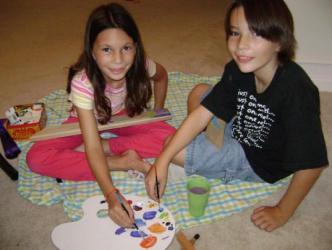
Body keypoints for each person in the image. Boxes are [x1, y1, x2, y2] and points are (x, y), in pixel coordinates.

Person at [145, 0, 329, 232]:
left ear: (280, 41)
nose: (241, 45)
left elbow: (312, 165)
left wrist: (282, 211)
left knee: (172, 146)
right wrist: (161, 161)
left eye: (254, 34)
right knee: (200, 92)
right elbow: (203, 112)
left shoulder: (297, 90)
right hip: (241, 125)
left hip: (256, 160)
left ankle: (205, 149)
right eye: (235, 33)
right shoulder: (238, 68)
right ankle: (207, 143)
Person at [27, 3, 175, 227]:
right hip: (86, 119)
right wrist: (111, 194)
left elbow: (162, 77)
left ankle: (109, 146)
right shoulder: (83, 82)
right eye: (107, 49)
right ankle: (120, 161)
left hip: (124, 114)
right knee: (36, 158)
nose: (118, 60)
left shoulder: (141, 64)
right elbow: (92, 149)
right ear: (92, 52)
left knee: (172, 138)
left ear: (136, 48)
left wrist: (158, 111)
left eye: (126, 48)